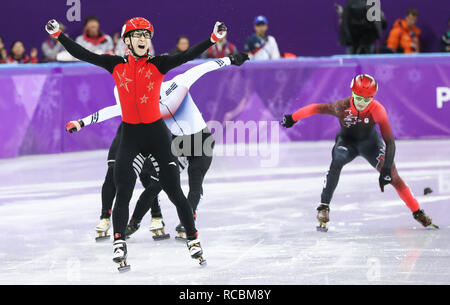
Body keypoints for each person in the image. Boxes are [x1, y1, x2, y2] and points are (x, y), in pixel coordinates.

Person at [46, 17, 227, 270]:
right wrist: (59, 36)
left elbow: (186, 56)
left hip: (157, 136)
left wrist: (212, 40)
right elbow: (82, 53)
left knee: (174, 190)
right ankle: (119, 242)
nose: (143, 40)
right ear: (127, 41)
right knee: (124, 189)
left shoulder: (159, 64)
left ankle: (193, 239)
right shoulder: (115, 64)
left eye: (146, 36)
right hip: (130, 136)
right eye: (138, 36)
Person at [65, 53, 249, 241]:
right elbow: (112, 110)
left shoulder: (178, 83)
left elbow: (202, 68)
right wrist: (81, 122)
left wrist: (231, 60)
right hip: (179, 144)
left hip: (201, 141)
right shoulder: (144, 102)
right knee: (156, 185)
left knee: (195, 183)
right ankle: (133, 223)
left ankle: (187, 222)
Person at [281, 74, 438, 231]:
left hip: (371, 145)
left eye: (367, 99)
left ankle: (418, 213)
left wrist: (386, 169)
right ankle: (324, 206)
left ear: (373, 98)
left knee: (394, 177)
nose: (362, 103)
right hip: (347, 143)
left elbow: (390, 142)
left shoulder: (378, 110)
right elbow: (316, 108)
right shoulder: (341, 106)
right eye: (359, 98)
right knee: (337, 162)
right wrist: (293, 118)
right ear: (352, 94)